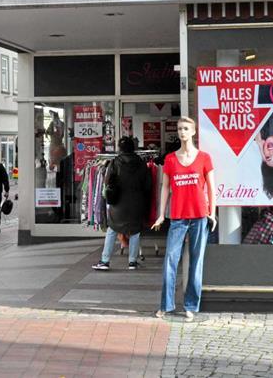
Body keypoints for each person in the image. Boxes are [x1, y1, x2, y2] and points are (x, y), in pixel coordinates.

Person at [151, 116, 216, 322]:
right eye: (179, 128)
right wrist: (162, 214)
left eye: (186, 128)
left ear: (194, 132)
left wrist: (212, 213)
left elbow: (212, 188)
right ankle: (166, 304)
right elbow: (165, 187)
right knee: (170, 259)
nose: (182, 132)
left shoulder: (204, 158)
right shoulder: (170, 159)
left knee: (196, 262)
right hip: (178, 216)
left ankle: (190, 305)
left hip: (199, 215)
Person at [92, 136, 152, 270]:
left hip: (118, 203)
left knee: (112, 229)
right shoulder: (141, 163)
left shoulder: (115, 162)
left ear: (120, 148)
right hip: (137, 202)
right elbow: (148, 184)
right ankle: (132, 262)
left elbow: (108, 181)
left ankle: (105, 261)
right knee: (135, 231)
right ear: (133, 147)